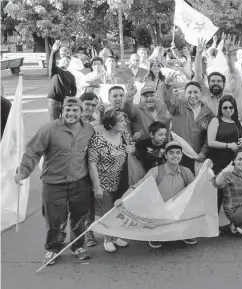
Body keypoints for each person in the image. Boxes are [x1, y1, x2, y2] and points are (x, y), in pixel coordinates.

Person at [14, 97, 95, 265]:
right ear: (62, 111)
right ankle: (52, 249)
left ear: (81, 113)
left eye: (75, 110)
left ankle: (77, 245)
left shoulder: (88, 130)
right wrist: (23, 171)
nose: (71, 113)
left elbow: (93, 156)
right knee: (54, 220)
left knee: (79, 218)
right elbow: (32, 152)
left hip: (80, 183)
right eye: (68, 110)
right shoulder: (49, 129)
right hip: (54, 184)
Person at [126, 141, 203, 248]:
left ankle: (185, 231)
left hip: (178, 211)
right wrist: (122, 199)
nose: (175, 156)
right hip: (159, 212)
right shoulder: (156, 171)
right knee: (159, 234)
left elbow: (197, 188)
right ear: (166, 155)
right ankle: (157, 233)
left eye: (178, 153)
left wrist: (205, 170)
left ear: (181, 155)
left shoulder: (186, 172)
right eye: (171, 153)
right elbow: (138, 186)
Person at [87, 109, 131, 253]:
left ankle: (115, 235)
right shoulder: (98, 139)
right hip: (103, 182)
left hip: (120, 181)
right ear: (111, 123)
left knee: (117, 210)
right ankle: (107, 239)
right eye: (121, 121)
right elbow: (92, 163)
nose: (124, 123)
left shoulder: (124, 134)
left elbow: (131, 149)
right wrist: (97, 186)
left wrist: (132, 149)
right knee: (106, 212)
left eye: (125, 120)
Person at [207, 95, 242, 210]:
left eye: (231, 107)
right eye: (225, 108)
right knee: (218, 193)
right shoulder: (216, 121)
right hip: (219, 162)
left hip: (235, 164)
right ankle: (215, 224)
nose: (228, 110)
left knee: (233, 193)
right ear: (220, 108)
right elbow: (210, 142)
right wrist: (228, 145)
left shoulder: (237, 121)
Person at [163, 80, 214, 173]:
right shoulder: (178, 106)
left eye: (196, 92)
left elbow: (209, 136)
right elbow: (168, 100)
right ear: (185, 94)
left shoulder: (208, 113)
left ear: (201, 94)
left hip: (198, 156)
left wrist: (203, 152)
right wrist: (168, 86)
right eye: (189, 92)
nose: (192, 95)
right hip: (178, 154)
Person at [47, 41, 77, 120]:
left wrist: (69, 96)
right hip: (54, 102)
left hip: (65, 103)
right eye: (65, 60)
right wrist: (53, 51)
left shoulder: (71, 76)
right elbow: (51, 63)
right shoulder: (55, 71)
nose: (66, 62)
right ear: (60, 60)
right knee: (54, 123)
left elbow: (74, 90)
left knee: (66, 122)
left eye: (68, 61)